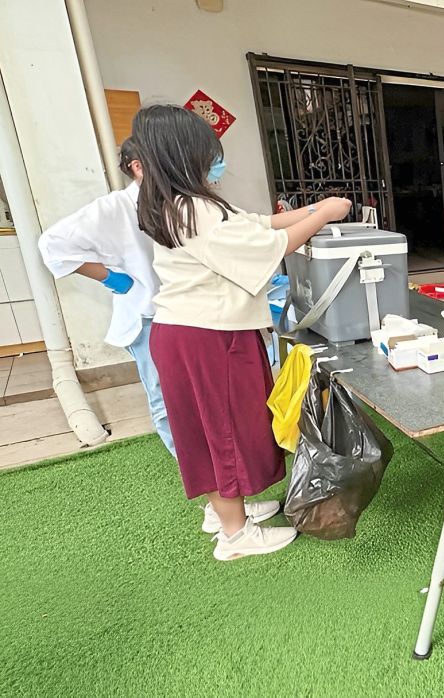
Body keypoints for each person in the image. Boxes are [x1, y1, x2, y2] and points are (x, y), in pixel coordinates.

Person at [130, 104, 352, 561]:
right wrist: (325, 215)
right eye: (206, 152)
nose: (215, 162)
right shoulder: (192, 209)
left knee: (209, 428)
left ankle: (228, 510)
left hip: (189, 332)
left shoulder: (176, 202)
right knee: (224, 429)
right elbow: (273, 245)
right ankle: (235, 535)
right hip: (208, 335)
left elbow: (261, 224)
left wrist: (312, 208)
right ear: (182, 154)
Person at [38, 139, 176, 461]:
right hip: (148, 316)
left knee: (189, 396)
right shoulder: (115, 208)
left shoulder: (171, 202)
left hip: (180, 309)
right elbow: (52, 245)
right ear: (138, 167)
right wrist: (113, 279)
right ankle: (201, 480)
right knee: (164, 397)